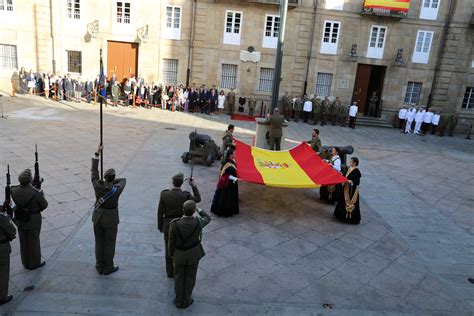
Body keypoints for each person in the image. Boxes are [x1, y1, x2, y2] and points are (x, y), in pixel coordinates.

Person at [91, 144, 127, 275]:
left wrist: (97, 153)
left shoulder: (97, 185)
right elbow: (123, 180)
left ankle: (99, 264)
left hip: (98, 216)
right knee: (109, 242)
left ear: (104, 177)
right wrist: (112, 182)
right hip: (111, 218)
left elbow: (94, 172)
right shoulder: (116, 189)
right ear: (113, 177)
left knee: (99, 241)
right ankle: (108, 267)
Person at [168, 200, 211, 309]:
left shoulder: (174, 224)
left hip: (179, 255)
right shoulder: (198, 222)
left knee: (178, 278)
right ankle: (187, 299)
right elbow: (208, 218)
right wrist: (199, 210)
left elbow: (171, 241)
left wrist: (171, 254)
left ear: (183, 210)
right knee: (190, 278)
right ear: (193, 211)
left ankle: (178, 300)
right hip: (193, 255)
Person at [158, 173, 201, 278]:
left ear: (172, 182)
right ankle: (178, 268)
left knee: (168, 249)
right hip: (181, 224)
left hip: (168, 225)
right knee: (179, 247)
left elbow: (160, 212)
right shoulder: (185, 195)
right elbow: (198, 199)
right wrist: (193, 185)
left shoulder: (164, 194)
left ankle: (170, 272)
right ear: (182, 183)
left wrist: (160, 226)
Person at [11, 169, 48, 270]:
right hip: (33, 219)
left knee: (23, 240)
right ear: (29, 180)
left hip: (20, 218)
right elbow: (44, 205)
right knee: (33, 240)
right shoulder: (36, 193)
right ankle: (34, 263)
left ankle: (25, 262)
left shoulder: (13, 190)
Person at [211, 149, 239, 217]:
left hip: (231, 184)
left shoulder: (231, 162)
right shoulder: (227, 164)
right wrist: (235, 178)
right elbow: (225, 175)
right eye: (233, 154)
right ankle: (225, 211)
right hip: (227, 185)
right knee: (226, 198)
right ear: (230, 155)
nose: (234, 155)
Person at [334, 157, 361, 224]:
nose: (350, 162)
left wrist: (349, 181)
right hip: (345, 188)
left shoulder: (357, 172)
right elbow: (345, 175)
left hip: (351, 191)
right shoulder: (349, 169)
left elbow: (356, 182)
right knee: (342, 200)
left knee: (349, 202)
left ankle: (349, 217)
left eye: (351, 161)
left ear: (354, 163)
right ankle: (340, 215)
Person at [0, 209, 16, 305]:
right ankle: (1, 297)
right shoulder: (1, 218)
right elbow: (12, 231)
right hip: (1, 248)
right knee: (3, 272)